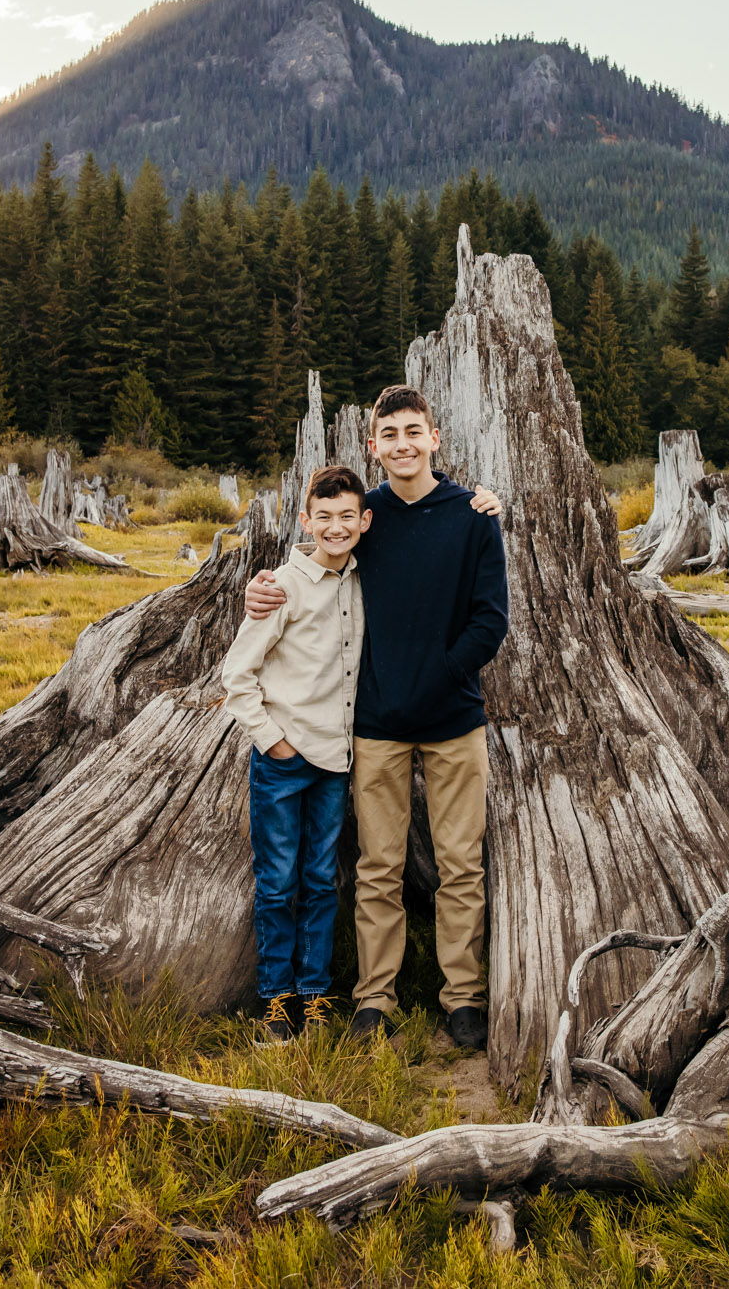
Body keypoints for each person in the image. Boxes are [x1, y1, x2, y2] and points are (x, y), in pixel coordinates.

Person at [247, 384, 508, 1052]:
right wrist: (261, 585)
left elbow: (490, 620)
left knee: (460, 866)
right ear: (374, 446)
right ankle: (373, 999)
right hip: (377, 724)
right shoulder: (368, 517)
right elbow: (317, 560)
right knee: (377, 867)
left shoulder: (473, 516)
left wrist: (441, 674)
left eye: (412, 431)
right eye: (388, 435)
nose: (402, 444)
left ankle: (463, 998)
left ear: (434, 437)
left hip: (455, 719)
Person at [221, 464, 372, 1042]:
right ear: (304, 521)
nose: (336, 528)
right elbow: (238, 674)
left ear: (364, 521)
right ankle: (275, 999)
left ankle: (314, 995)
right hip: (284, 763)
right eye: (323, 518)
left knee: (319, 880)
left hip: (336, 762)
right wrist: (272, 740)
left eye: (347, 518)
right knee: (278, 882)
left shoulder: (363, 580)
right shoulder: (282, 586)